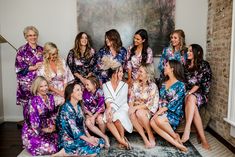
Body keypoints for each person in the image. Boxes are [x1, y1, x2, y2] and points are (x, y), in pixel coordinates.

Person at [53, 82, 104, 157]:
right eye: (78, 90)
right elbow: (74, 129)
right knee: (93, 153)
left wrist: (89, 137)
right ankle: (65, 152)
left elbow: (83, 126)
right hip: (68, 138)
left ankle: (70, 152)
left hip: (79, 136)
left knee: (100, 142)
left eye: (81, 90)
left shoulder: (79, 107)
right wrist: (88, 140)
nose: (81, 92)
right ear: (71, 93)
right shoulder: (66, 108)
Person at [150, 60, 187, 152]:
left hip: (173, 113)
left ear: (172, 69)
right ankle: (176, 141)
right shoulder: (163, 84)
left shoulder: (181, 85)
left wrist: (158, 113)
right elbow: (160, 100)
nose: (164, 67)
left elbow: (173, 103)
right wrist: (157, 111)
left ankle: (175, 137)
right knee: (152, 122)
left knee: (158, 119)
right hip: (161, 111)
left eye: (166, 65)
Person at [181, 44, 211, 150]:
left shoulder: (204, 65)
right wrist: (186, 93)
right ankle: (203, 139)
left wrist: (188, 94)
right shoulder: (186, 65)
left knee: (191, 98)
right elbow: (183, 82)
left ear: (197, 53)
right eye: (187, 51)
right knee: (191, 101)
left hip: (201, 93)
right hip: (189, 93)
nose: (188, 53)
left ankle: (187, 129)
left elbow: (199, 84)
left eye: (190, 51)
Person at [102, 56, 133, 149]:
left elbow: (121, 100)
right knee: (108, 118)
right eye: (119, 71)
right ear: (114, 73)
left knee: (118, 117)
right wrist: (108, 110)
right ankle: (122, 141)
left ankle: (122, 139)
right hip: (110, 107)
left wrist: (111, 110)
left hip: (122, 107)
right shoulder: (105, 85)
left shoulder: (124, 85)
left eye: (122, 71)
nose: (122, 73)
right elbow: (108, 99)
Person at [21, 76, 58, 156]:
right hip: (34, 130)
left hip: (48, 127)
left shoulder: (51, 97)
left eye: (46, 85)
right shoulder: (33, 100)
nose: (44, 88)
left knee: (60, 143)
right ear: (36, 87)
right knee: (51, 148)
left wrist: (53, 126)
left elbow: (53, 114)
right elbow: (33, 121)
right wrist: (43, 130)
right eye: (41, 86)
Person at [15, 26, 43, 119]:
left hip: (40, 83)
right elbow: (18, 68)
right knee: (28, 108)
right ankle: (28, 130)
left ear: (37, 36)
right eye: (30, 35)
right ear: (26, 37)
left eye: (34, 35)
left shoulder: (42, 50)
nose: (33, 37)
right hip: (27, 84)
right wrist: (34, 67)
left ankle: (40, 130)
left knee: (41, 106)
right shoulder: (21, 50)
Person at [128, 63, 158, 148]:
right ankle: (145, 139)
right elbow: (131, 99)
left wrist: (135, 108)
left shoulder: (153, 86)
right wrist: (131, 108)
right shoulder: (136, 84)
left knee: (139, 113)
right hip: (136, 108)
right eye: (138, 71)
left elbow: (149, 104)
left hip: (147, 109)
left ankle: (150, 134)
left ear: (147, 74)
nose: (138, 73)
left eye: (141, 71)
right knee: (132, 113)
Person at [37, 42, 74, 107]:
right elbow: (44, 84)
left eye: (57, 53)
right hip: (50, 91)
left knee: (72, 101)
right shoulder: (42, 66)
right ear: (47, 54)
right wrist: (59, 92)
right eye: (53, 54)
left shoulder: (62, 62)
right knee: (58, 102)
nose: (56, 56)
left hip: (64, 89)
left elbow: (66, 78)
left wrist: (64, 92)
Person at [83, 75, 110, 148]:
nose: (86, 86)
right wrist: (90, 115)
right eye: (85, 85)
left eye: (88, 85)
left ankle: (102, 138)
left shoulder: (100, 92)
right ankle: (105, 137)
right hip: (89, 112)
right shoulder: (85, 92)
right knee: (88, 122)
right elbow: (84, 106)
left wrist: (94, 117)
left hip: (99, 112)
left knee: (100, 119)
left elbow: (102, 107)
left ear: (94, 85)